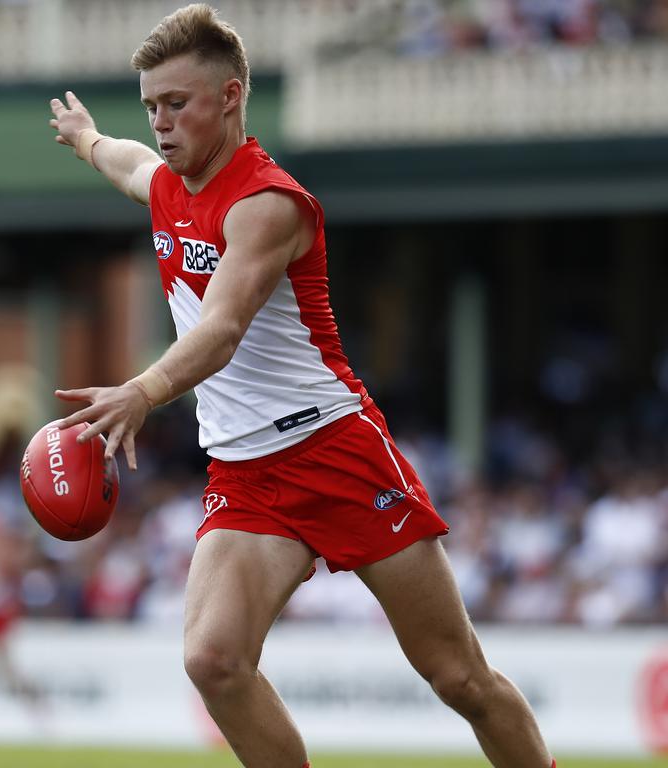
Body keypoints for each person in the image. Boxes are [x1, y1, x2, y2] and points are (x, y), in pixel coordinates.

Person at [48, 4, 556, 766]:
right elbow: (125, 160)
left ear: (230, 96)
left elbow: (221, 331)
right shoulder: (168, 187)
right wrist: (87, 139)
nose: (160, 123)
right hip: (246, 473)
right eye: (152, 107)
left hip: (334, 448)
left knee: (459, 678)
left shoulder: (267, 205)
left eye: (177, 104)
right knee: (212, 660)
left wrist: (142, 392)